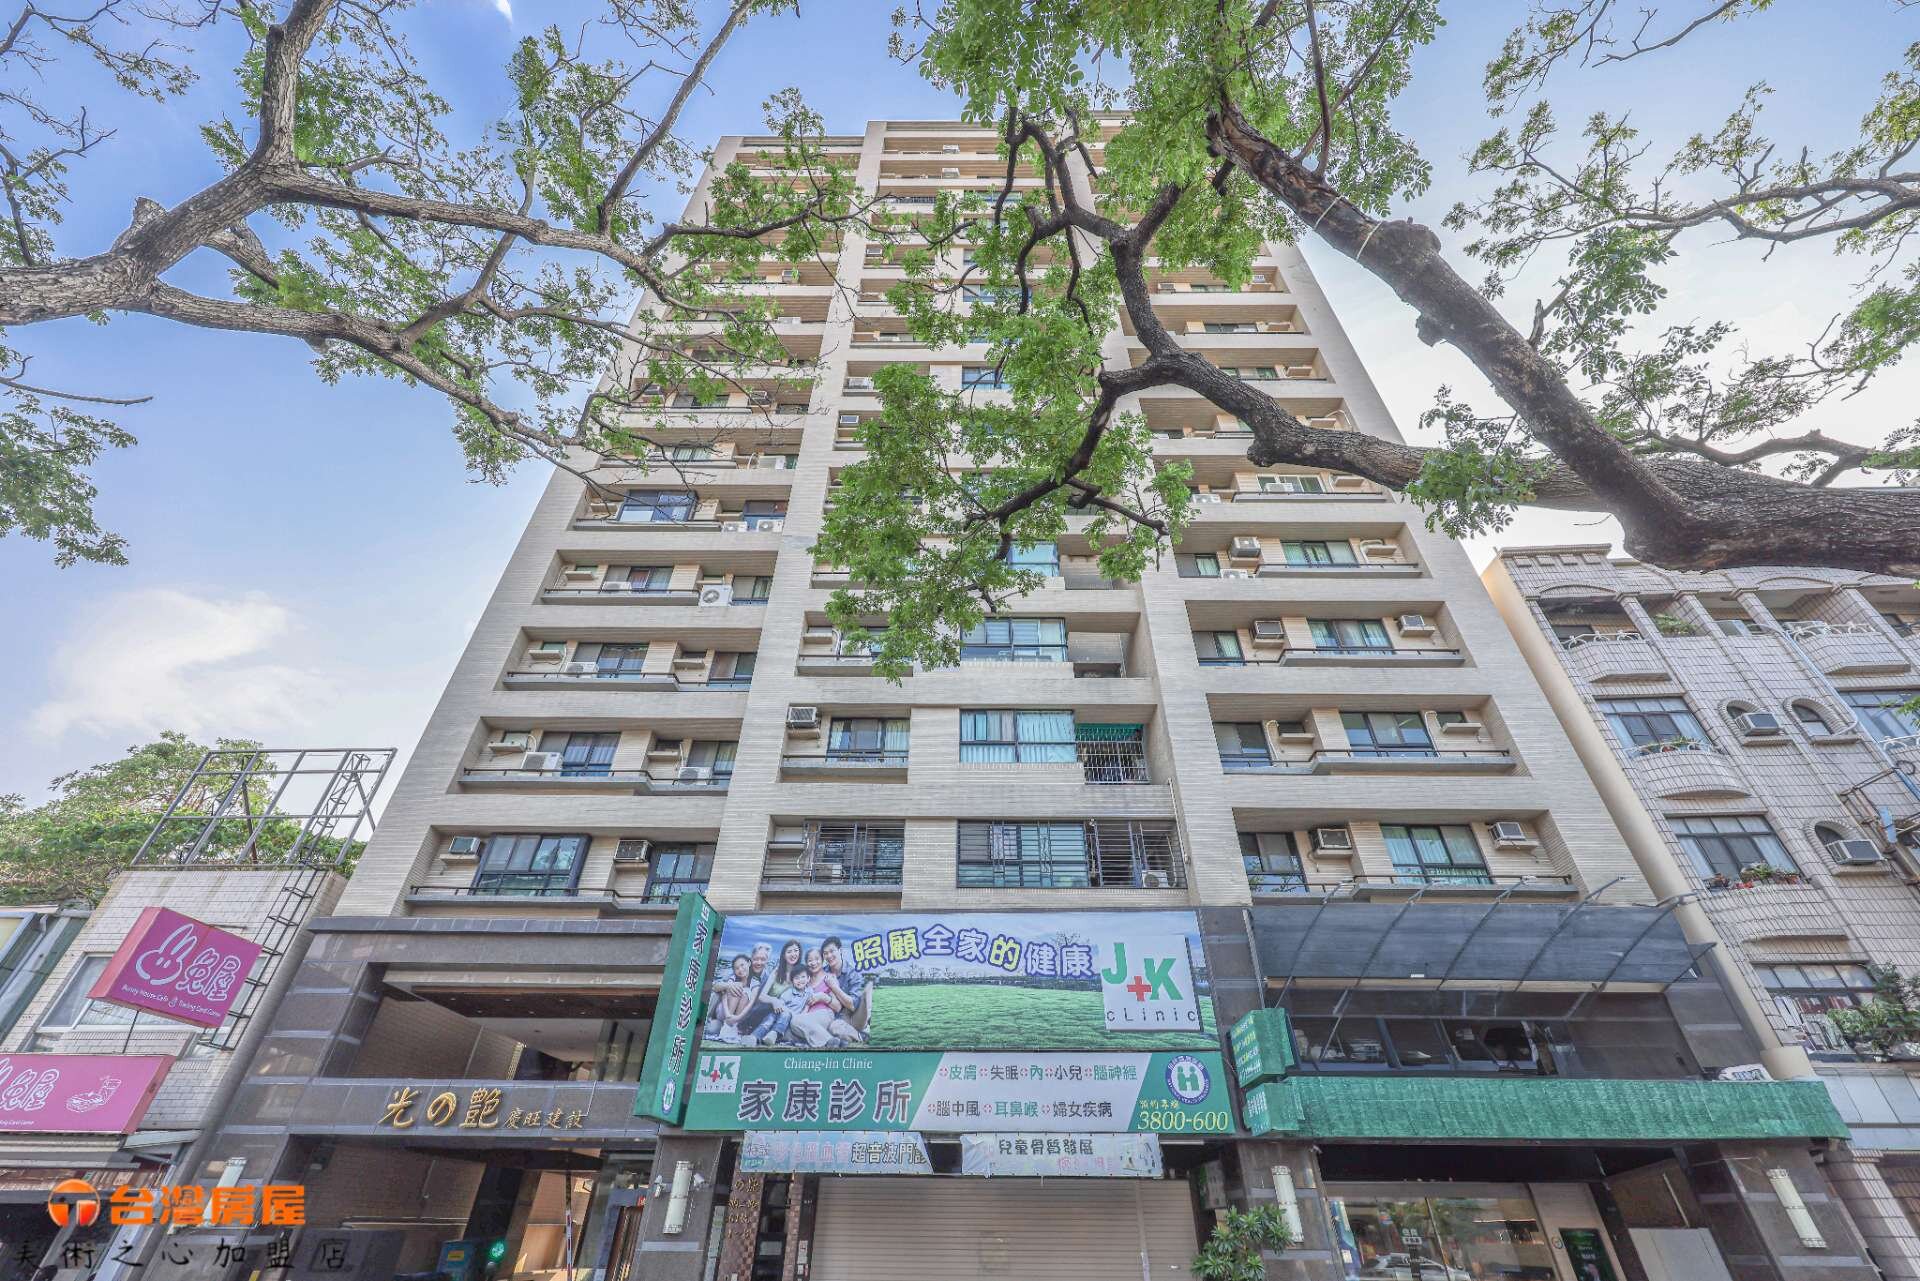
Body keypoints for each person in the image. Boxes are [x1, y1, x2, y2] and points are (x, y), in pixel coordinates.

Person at [789, 946, 863, 1047]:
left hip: (825, 1014)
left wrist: (823, 997)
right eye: (810, 960)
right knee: (794, 1024)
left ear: (822, 960)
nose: (813, 963)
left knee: (796, 1021)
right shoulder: (804, 980)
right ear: (806, 963)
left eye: (817, 959)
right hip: (808, 1017)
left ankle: (828, 1040)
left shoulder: (829, 978)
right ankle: (833, 1041)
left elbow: (838, 1007)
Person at [819, 936, 870, 1042]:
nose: (829, 956)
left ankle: (860, 1035)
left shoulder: (854, 975)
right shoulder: (822, 972)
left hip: (848, 1018)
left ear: (840, 950)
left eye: (832, 951)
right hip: (826, 1014)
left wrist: (834, 986)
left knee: (835, 1027)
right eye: (825, 953)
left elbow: (852, 1005)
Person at [706, 954, 759, 1043]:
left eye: (742, 965)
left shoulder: (755, 982)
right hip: (724, 1011)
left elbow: (752, 1002)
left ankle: (733, 1028)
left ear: (749, 963)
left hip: (739, 1016)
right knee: (737, 988)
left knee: (745, 993)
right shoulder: (733, 978)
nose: (740, 969)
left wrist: (738, 1018)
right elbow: (724, 995)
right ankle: (727, 1025)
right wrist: (728, 1015)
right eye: (737, 968)